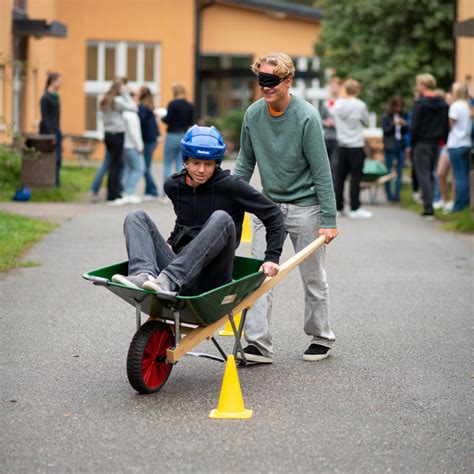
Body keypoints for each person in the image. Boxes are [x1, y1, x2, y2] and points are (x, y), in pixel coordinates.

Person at [234, 52, 338, 363]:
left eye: (272, 81)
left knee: (313, 276)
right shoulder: (253, 115)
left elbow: (321, 170)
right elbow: (244, 163)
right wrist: (227, 201)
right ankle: (257, 345)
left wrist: (329, 218)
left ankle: (321, 336)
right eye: (260, 80)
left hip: (306, 207)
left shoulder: (306, 116)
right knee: (259, 276)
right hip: (268, 207)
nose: (265, 87)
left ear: (288, 81)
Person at [112, 125, 284, 299]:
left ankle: (169, 280)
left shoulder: (231, 186)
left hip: (213, 277)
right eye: (196, 163)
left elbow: (273, 214)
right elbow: (184, 222)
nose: (202, 170)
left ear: (217, 163)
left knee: (221, 217)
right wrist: (168, 243)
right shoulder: (174, 186)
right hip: (178, 271)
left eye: (208, 164)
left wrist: (272, 257)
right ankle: (143, 275)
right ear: (185, 161)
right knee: (136, 217)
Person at [410, 73, 449, 218]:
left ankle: (428, 208)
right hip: (436, 144)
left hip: (421, 143)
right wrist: (444, 140)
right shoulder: (443, 104)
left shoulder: (419, 105)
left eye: (418, 84)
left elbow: (414, 127)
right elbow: (446, 125)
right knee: (432, 174)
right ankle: (431, 202)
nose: (417, 87)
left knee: (423, 174)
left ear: (423, 85)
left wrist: (412, 143)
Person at [333, 78, 372, 218]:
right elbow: (366, 122)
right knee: (356, 177)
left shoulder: (337, 105)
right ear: (357, 90)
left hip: (341, 144)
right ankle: (355, 208)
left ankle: (338, 207)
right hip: (356, 145)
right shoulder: (360, 105)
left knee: (339, 177)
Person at [99, 80, 138, 204]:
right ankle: (114, 194)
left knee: (112, 164)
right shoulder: (118, 101)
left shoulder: (104, 100)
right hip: (118, 134)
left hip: (107, 134)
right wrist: (126, 94)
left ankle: (113, 192)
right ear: (119, 89)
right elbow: (134, 107)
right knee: (116, 165)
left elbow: (100, 116)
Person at [161, 81, 194, 196]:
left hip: (172, 135)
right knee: (180, 164)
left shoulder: (173, 104)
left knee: (167, 163)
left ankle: (166, 194)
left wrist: (161, 117)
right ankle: (179, 191)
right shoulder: (189, 105)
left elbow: (167, 119)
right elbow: (191, 122)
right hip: (183, 136)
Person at [115, 91, 145, 205]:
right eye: (136, 98)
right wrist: (140, 146)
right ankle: (129, 192)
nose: (138, 101)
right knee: (139, 168)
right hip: (132, 146)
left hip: (124, 146)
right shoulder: (132, 116)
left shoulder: (124, 114)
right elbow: (134, 133)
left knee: (128, 169)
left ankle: (125, 192)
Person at [446, 82, 472, 212]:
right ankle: (466, 203)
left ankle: (458, 206)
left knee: (458, 176)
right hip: (466, 143)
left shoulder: (455, 105)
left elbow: (451, 123)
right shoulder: (467, 105)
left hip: (456, 143)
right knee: (465, 175)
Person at [381, 96, 409, 202]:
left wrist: (404, 124)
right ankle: (389, 194)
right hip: (390, 145)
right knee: (388, 170)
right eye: (396, 106)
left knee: (399, 170)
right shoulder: (386, 116)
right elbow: (385, 130)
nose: (398, 108)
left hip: (400, 144)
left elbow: (407, 131)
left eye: (400, 106)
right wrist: (394, 124)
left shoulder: (403, 115)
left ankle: (397, 194)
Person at [39, 72, 62, 186]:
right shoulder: (45, 98)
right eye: (59, 81)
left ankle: (56, 183)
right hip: (49, 133)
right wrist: (51, 135)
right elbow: (45, 118)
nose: (61, 83)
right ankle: (48, 183)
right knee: (50, 159)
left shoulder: (56, 96)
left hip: (57, 131)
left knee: (58, 160)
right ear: (53, 81)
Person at [138, 86, 160, 200]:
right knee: (147, 166)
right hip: (152, 139)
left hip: (147, 140)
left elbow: (140, 122)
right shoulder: (150, 105)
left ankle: (153, 190)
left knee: (145, 167)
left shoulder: (142, 107)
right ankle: (148, 191)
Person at [320, 76, 341, 184]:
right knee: (325, 166)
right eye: (332, 86)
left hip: (338, 138)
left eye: (336, 86)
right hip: (327, 138)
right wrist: (326, 123)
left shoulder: (342, 103)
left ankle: (335, 192)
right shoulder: (325, 103)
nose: (334, 88)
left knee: (335, 166)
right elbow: (321, 119)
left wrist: (337, 124)